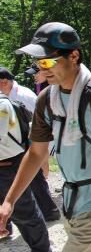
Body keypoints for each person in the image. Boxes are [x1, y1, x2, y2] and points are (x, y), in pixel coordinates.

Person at [0, 22, 91, 251]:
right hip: (72, 200)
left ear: (74, 56)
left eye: (47, 61)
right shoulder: (47, 99)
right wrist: (9, 201)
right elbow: (36, 152)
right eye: (38, 63)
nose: (42, 68)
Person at [0, 67, 61, 223]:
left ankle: (50, 212)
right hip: (19, 143)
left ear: (6, 82)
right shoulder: (7, 95)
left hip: (33, 141)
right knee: (32, 178)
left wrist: (42, 155)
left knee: (35, 177)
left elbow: (44, 121)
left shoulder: (25, 96)